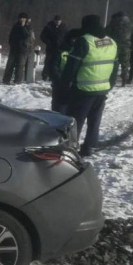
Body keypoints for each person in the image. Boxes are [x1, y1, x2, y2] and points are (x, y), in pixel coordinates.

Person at [55, 14, 118, 157]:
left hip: (83, 90)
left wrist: (64, 86)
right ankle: (89, 147)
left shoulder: (85, 41)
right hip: (102, 89)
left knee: (76, 121)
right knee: (95, 120)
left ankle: (69, 148)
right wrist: (109, 85)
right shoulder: (112, 42)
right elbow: (115, 67)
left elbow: (72, 67)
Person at [49, 28, 83, 113]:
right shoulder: (60, 51)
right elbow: (53, 67)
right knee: (59, 111)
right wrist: (61, 81)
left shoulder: (81, 51)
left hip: (75, 86)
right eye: (74, 39)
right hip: (60, 86)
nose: (75, 41)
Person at [105, 11, 133, 86]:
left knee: (114, 63)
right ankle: (124, 80)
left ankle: (112, 80)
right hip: (126, 47)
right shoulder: (132, 24)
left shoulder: (113, 23)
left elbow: (106, 33)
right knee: (125, 64)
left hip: (114, 46)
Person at [3, 13, 34, 84]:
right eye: (20, 18)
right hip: (14, 48)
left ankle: (17, 81)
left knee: (20, 66)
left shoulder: (29, 27)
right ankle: (6, 80)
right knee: (10, 65)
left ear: (26, 19)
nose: (21, 19)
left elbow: (27, 36)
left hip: (23, 49)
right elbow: (11, 36)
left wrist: (23, 27)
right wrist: (11, 43)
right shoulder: (15, 26)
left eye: (23, 18)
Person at [39, 15, 68, 81]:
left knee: (58, 63)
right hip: (50, 48)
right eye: (56, 20)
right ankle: (45, 76)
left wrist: (65, 45)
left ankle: (55, 76)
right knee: (48, 62)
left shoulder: (64, 28)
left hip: (60, 49)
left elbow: (67, 37)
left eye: (59, 21)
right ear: (54, 20)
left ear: (61, 21)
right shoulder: (49, 27)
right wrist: (48, 42)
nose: (58, 22)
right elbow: (42, 36)